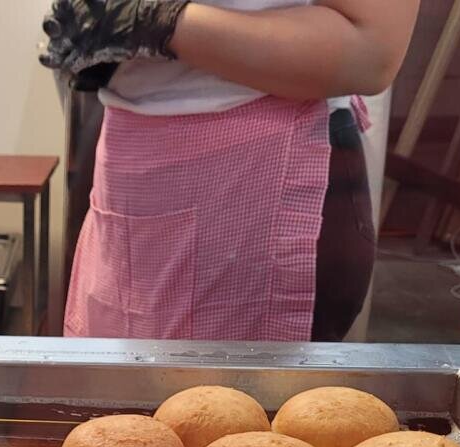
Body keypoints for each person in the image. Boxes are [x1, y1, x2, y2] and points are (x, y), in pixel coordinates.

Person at [42, 0, 418, 342]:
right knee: (123, 402)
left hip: (260, 173)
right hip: (128, 160)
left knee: (240, 409)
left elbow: (370, 51)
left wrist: (158, 22)